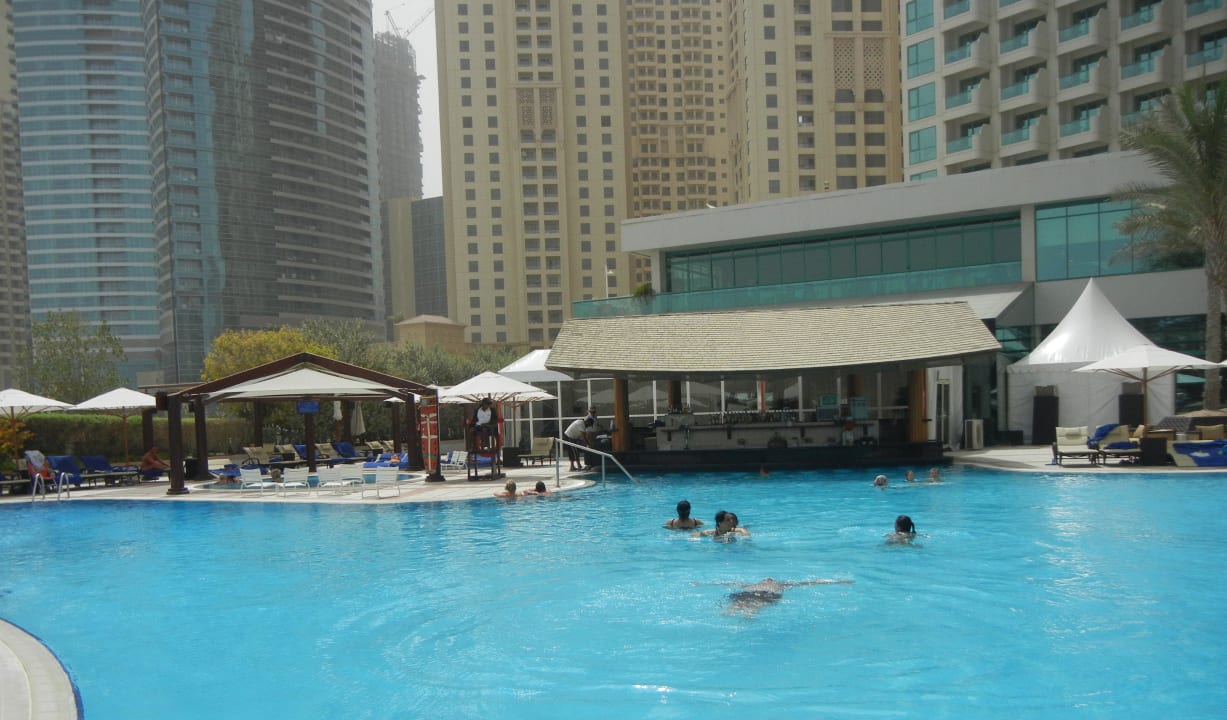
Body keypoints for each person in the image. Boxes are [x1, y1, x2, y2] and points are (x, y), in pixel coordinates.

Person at [719, 577, 855, 617]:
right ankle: (749, 614)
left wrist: (699, 583)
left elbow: (728, 582)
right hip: (767, 595)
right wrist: (838, 581)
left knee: (737, 605)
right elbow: (809, 582)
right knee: (754, 607)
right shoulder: (781, 583)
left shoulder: (751, 583)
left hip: (745, 593)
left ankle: (728, 612)